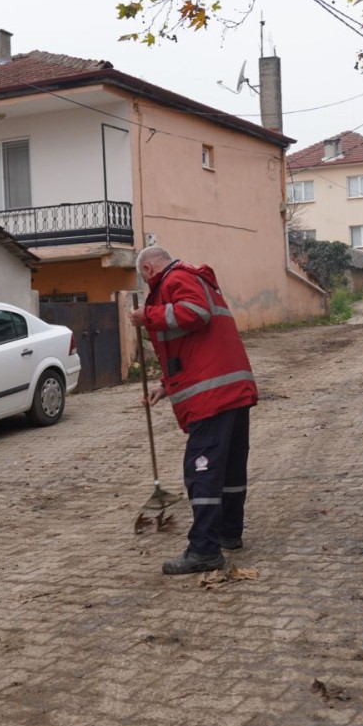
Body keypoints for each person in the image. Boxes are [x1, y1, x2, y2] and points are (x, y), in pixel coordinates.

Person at [128, 246, 258, 575]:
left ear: (146, 269)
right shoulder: (194, 279)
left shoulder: (176, 279)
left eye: (143, 280)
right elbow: (188, 347)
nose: (145, 289)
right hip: (229, 389)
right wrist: (165, 385)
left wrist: (149, 317)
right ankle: (229, 533)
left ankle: (204, 550)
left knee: (202, 472)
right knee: (228, 467)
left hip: (212, 395)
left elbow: (196, 314)